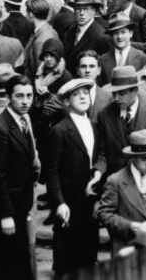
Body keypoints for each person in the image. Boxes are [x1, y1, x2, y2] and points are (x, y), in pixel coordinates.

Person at [0, 74, 39, 280]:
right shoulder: (0, 129)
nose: (25, 101)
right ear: (8, 97)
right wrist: (6, 214)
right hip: (7, 209)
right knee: (9, 263)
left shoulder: (24, 120)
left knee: (18, 260)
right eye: (19, 96)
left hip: (20, 204)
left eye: (29, 96)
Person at [44, 78, 100, 276]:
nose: (82, 97)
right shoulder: (59, 131)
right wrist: (59, 202)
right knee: (68, 255)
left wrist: (98, 174)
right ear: (66, 102)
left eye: (85, 93)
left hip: (90, 199)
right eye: (76, 95)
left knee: (89, 253)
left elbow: (98, 156)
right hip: (69, 202)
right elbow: (51, 171)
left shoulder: (94, 126)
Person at [95, 129, 146, 247]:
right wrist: (130, 226)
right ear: (133, 157)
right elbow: (104, 214)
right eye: (144, 159)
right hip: (127, 247)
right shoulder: (115, 180)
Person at [93, 65, 146, 185]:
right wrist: (97, 173)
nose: (115, 98)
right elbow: (103, 152)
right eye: (113, 93)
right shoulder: (104, 115)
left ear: (135, 90)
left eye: (121, 93)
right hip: (118, 182)